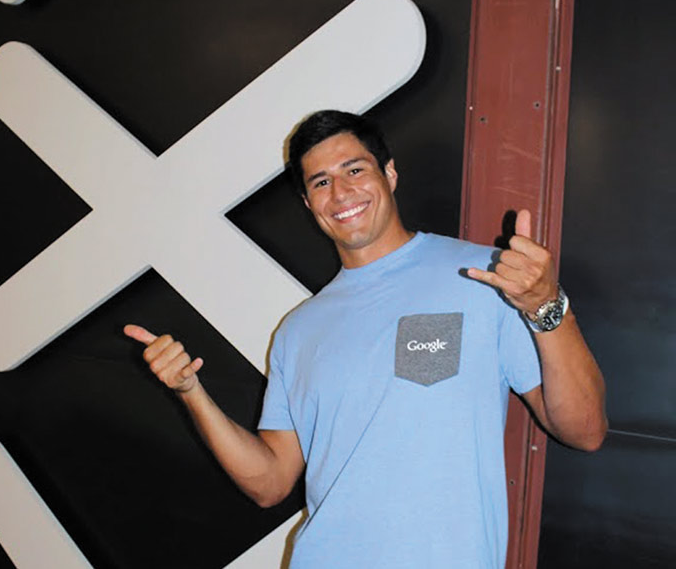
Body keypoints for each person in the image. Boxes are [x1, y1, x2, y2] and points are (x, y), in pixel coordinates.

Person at [124, 110, 607, 568]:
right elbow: (270, 483)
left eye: (354, 169)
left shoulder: (484, 277)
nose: (340, 192)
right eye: (321, 182)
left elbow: (584, 430)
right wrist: (191, 393)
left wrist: (547, 306)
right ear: (309, 204)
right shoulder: (297, 331)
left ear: (389, 174)